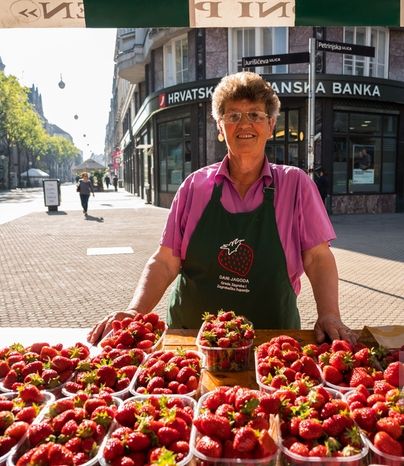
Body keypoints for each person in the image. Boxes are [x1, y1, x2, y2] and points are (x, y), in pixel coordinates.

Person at [88, 71, 357, 346]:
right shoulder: (195, 186)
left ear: (270, 125)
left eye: (255, 115)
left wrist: (329, 314)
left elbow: (317, 258)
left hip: (271, 341)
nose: (244, 124)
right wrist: (136, 311)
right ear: (220, 127)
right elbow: (166, 259)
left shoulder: (296, 184)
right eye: (233, 116)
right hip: (192, 339)